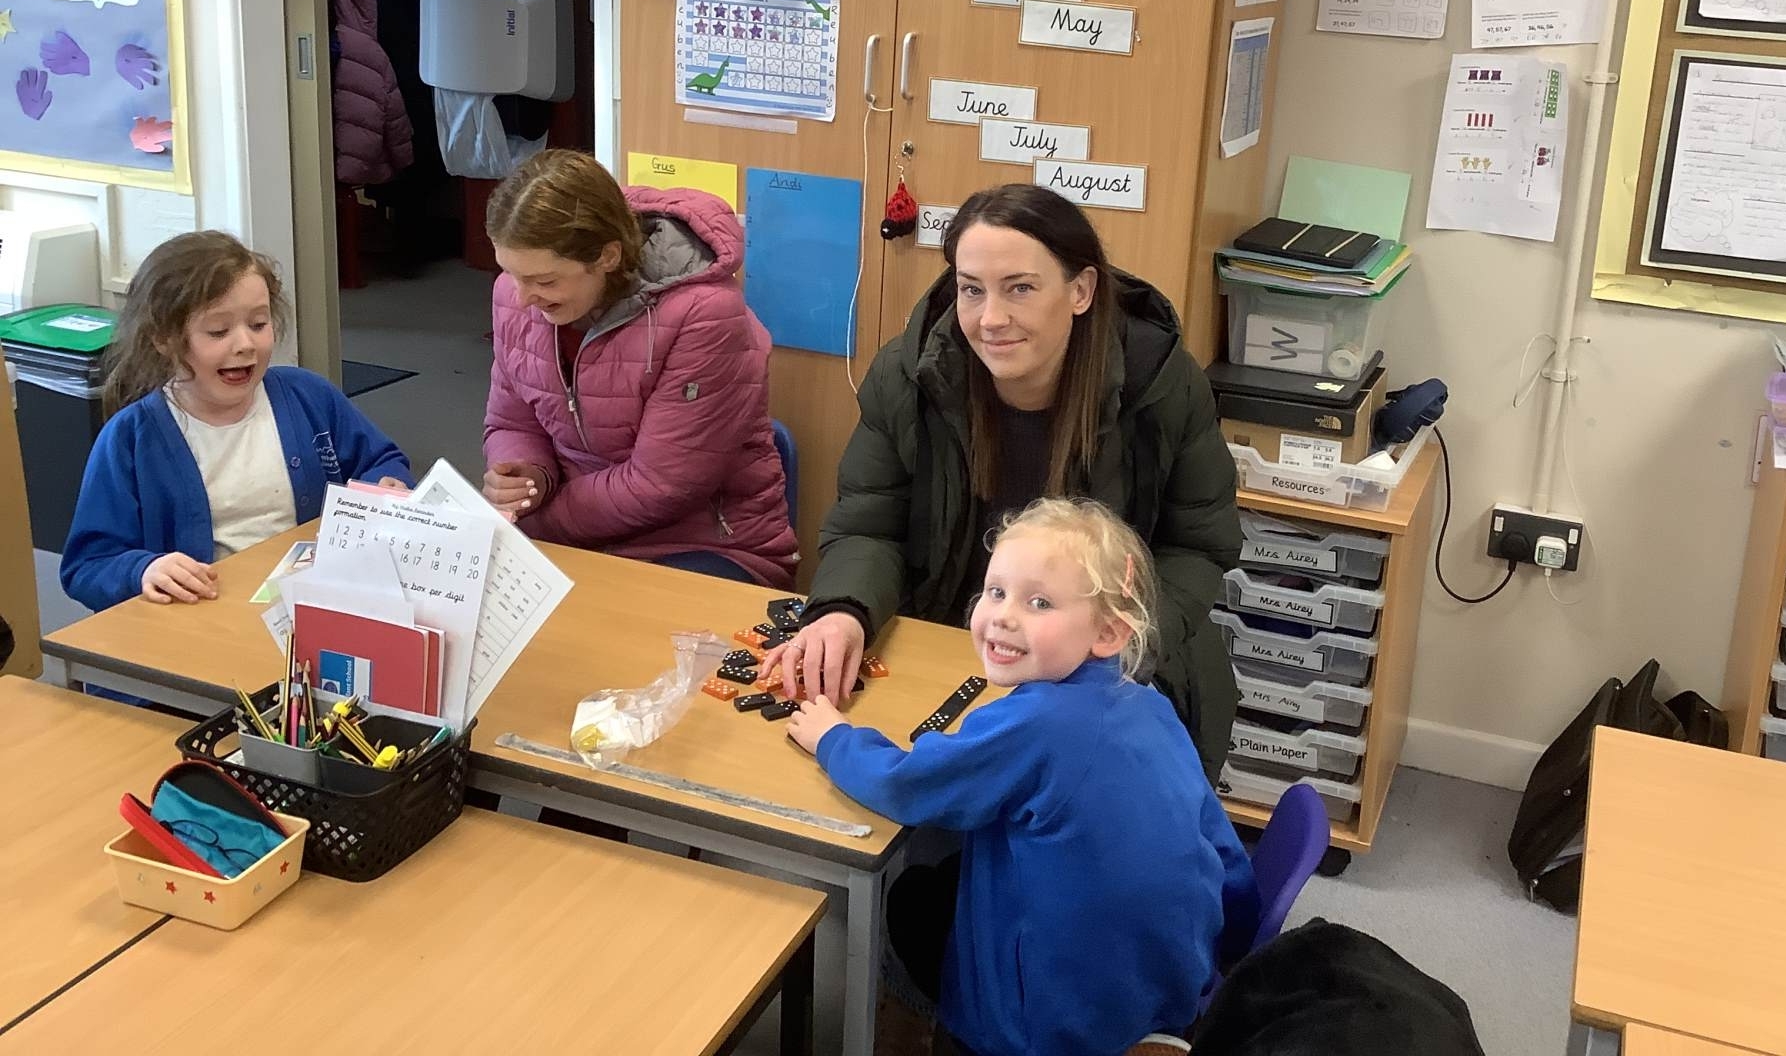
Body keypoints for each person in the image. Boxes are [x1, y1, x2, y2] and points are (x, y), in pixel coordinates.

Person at [768, 182, 1241, 775]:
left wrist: (1112, 651)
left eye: (1020, 288)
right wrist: (845, 610)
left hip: (1108, 663)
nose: (991, 319)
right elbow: (870, 522)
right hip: (954, 642)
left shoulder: (1161, 383)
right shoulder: (909, 375)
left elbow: (1197, 546)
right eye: (971, 290)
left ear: (1081, 290)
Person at [787, 498, 1258, 1056]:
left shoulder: (1037, 723)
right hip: (1171, 997)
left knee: (911, 897)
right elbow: (1221, 847)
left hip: (1047, 1030)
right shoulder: (1150, 705)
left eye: (1039, 603)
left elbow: (905, 784)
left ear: (1109, 633)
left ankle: (918, 1035)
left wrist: (833, 737)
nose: (1004, 616)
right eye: (995, 592)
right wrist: (1229, 955)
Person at [481, 149, 798, 586]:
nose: (521, 298)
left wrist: (541, 521)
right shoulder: (516, 296)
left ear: (607, 257)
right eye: (510, 273)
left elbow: (661, 485)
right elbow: (512, 422)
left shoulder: (704, 313)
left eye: (545, 280)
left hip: (699, 543)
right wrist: (526, 479)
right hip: (569, 530)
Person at [62, 233, 411, 611]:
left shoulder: (309, 396)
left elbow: (381, 460)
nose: (245, 344)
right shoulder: (131, 438)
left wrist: (384, 486)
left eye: (258, 324)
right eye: (218, 331)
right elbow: (87, 566)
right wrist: (144, 570)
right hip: (203, 618)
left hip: (310, 605)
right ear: (164, 339)